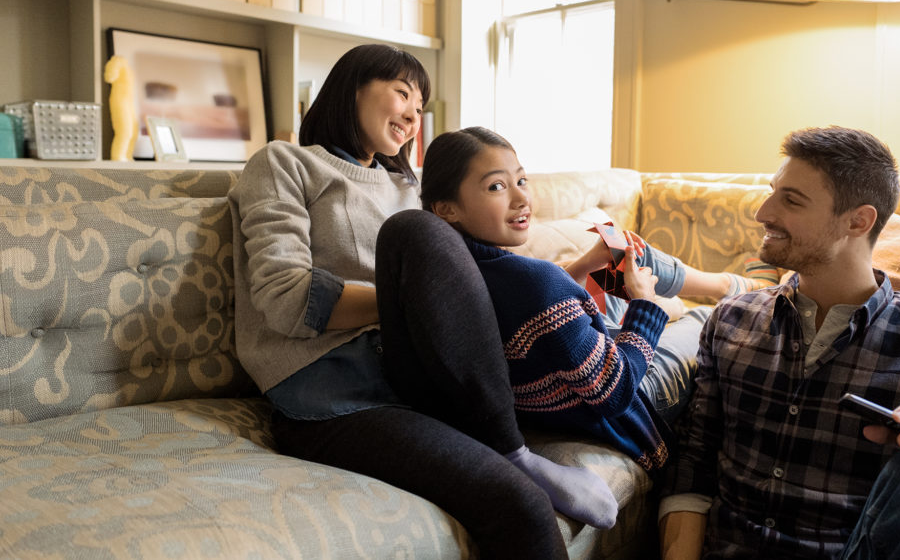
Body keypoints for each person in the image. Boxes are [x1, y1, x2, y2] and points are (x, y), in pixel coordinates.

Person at [228, 44, 617, 560]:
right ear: (352, 89)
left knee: (431, 231)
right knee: (519, 505)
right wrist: (412, 300)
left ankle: (511, 445)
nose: (414, 115)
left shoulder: (408, 187)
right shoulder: (285, 163)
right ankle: (512, 450)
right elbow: (284, 298)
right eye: (402, 93)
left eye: (421, 107)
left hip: (418, 376)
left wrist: (576, 272)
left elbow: (471, 288)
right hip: (333, 398)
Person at [659, 126, 900, 559]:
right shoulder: (730, 321)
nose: (762, 212)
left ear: (858, 221)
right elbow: (693, 474)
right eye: (772, 192)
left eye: (790, 200)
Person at [410, 126, 780, 474]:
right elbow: (614, 392)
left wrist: (585, 264)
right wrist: (645, 307)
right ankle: (745, 293)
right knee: (710, 320)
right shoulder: (533, 281)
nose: (522, 198)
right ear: (447, 208)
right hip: (630, 398)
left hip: (573, 367)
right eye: (496, 187)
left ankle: (730, 285)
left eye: (521, 180)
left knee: (622, 251)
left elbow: (539, 312)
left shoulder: (455, 274)